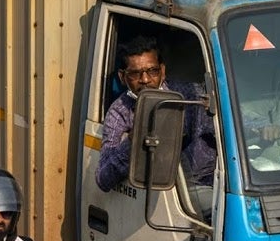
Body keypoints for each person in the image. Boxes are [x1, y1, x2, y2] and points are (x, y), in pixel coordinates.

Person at [95, 35, 221, 192]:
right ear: (122, 77)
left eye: (152, 71)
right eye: (135, 74)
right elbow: (103, 179)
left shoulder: (188, 93)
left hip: (211, 184)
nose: (145, 79)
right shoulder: (119, 112)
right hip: (168, 195)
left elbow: (226, 129)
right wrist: (133, 141)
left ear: (162, 71)